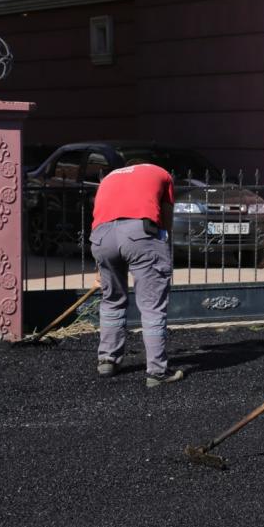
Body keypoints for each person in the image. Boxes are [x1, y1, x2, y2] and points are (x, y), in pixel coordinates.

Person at [90, 162, 184, 388]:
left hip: (101, 237)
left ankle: (107, 360)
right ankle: (157, 372)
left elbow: (100, 214)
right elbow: (166, 216)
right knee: (152, 306)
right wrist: (165, 249)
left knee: (111, 300)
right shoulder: (162, 174)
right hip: (139, 233)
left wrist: (97, 268)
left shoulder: (110, 176)